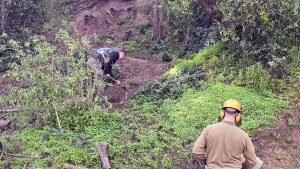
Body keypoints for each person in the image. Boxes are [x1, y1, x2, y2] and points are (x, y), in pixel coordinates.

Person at [192, 99, 266, 169]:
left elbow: (196, 152)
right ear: (238, 116)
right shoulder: (243, 136)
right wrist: (244, 166)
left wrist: (207, 162)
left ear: (222, 113)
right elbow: (252, 161)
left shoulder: (209, 129)